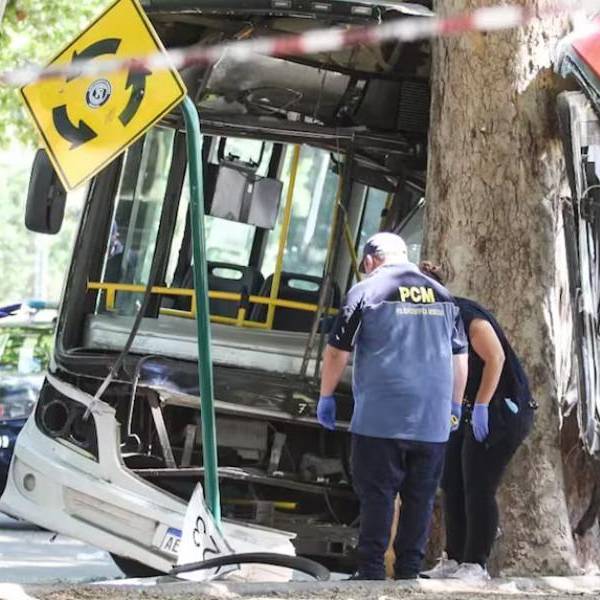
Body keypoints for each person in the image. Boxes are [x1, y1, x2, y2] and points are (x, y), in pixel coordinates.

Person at [316, 233, 468, 580]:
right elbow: (461, 358)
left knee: (378, 495)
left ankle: (370, 571)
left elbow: (338, 350)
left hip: (380, 419)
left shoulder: (366, 291)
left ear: (370, 261)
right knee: (420, 498)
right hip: (432, 421)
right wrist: (455, 405)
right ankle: (409, 572)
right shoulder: (442, 295)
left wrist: (326, 395)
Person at [419, 262, 536, 581]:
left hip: (502, 409)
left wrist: (482, 405)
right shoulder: (426, 322)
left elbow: (494, 358)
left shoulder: (464, 314)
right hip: (467, 409)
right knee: (452, 483)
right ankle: (454, 558)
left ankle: (476, 564)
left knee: (478, 485)